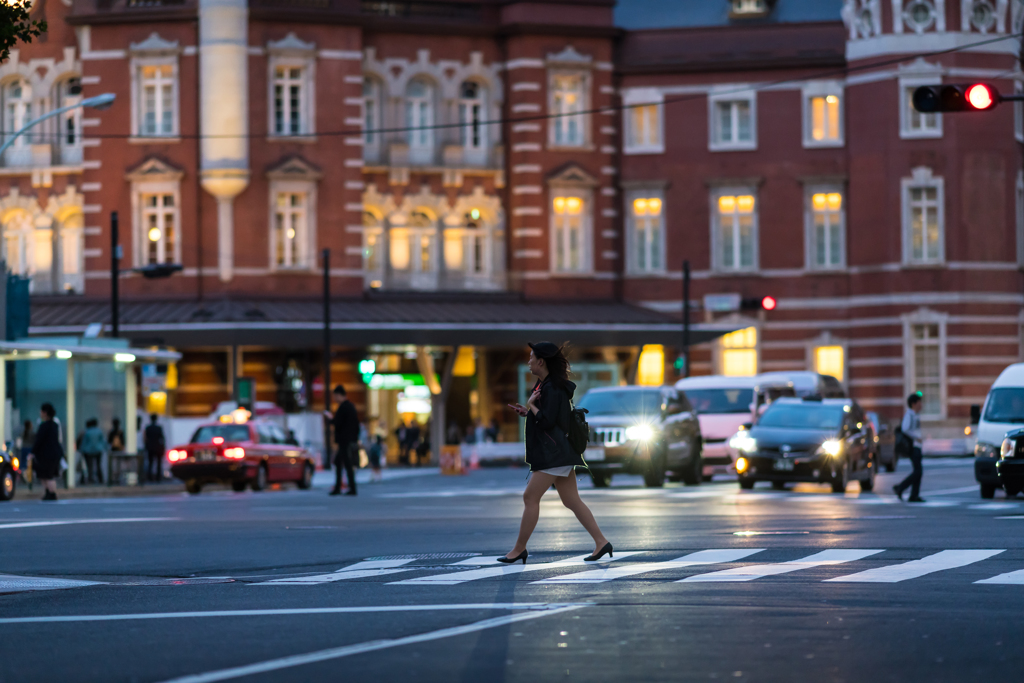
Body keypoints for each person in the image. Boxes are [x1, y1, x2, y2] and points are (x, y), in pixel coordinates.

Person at [500, 342, 611, 565]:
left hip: (554, 454)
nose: (529, 361)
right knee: (571, 500)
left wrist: (532, 406)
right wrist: (529, 411)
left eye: (532, 357)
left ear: (541, 361)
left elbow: (548, 421)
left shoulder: (551, 388)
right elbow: (551, 417)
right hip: (559, 451)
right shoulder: (547, 385)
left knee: (530, 497)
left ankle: (519, 549)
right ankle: (601, 542)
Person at [324, 385, 360, 496]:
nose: (334, 398)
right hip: (348, 439)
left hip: (344, 440)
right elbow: (356, 425)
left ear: (339, 395)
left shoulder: (343, 407)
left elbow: (337, 423)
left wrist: (330, 418)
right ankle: (343, 487)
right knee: (340, 463)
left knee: (345, 463)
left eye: (335, 396)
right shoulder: (351, 407)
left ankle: (348, 488)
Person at [894, 392, 926, 503]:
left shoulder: (915, 415)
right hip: (913, 446)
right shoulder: (910, 415)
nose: (921, 404)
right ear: (913, 404)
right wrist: (916, 438)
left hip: (917, 445)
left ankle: (914, 495)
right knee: (918, 471)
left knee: (918, 471)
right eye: (919, 402)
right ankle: (900, 488)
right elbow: (905, 428)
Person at [31, 403, 64, 501]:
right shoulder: (55, 425)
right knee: (50, 475)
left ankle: (50, 493)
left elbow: (39, 440)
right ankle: (51, 493)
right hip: (55, 453)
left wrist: (33, 452)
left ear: (45, 413)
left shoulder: (44, 426)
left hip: (45, 454)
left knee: (46, 475)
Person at [80, 418, 108, 484]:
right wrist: (105, 448)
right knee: (98, 465)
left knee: (90, 466)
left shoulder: (87, 431)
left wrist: (81, 450)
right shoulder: (99, 431)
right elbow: (103, 441)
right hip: (98, 450)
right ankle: (100, 479)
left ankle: (90, 479)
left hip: (88, 451)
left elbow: (84, 442)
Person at [144, 414, 166, 483]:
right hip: (158, 447)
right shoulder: (158, 428)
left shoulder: (148, 428)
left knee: (151, 463)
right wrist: (163, 447)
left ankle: (150, 477)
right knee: (158, 463)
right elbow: (162, 438)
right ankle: (158, 477)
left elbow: (146, 439)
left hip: (150, 447)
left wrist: (146, 446)